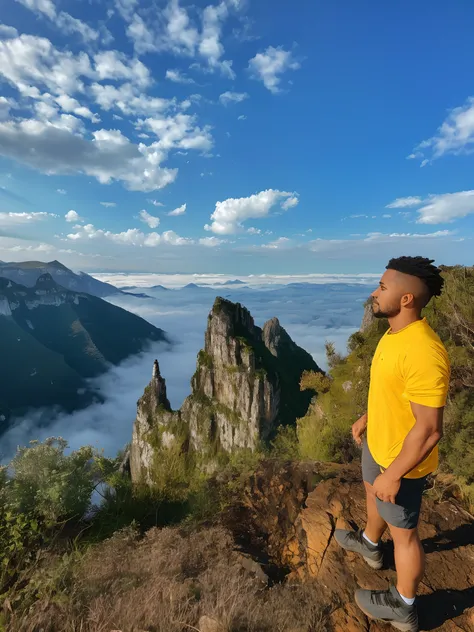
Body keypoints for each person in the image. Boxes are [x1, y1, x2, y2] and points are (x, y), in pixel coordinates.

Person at [334, 256, 450, 632]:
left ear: (406, 299)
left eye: (383, 287)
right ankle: (369, 544)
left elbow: (430, 429)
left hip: (403, 463)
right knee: (371, 496)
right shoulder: (394, 333)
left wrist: (395, 474)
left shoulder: (424, 351)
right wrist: (369, 417)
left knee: (405, 537)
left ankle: (404, 605)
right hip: (378, 446)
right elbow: (392, 389)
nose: (374, 292)